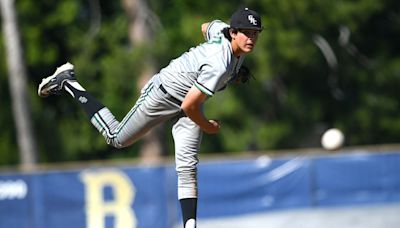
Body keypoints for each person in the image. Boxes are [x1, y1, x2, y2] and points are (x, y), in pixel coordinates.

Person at [38, 7, 262, 228]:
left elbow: (206, 27)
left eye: (255, 33)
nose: (251, 38)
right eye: (246, 32)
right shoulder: (219, 63)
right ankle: (68, 82)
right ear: (233, 32)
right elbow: (190, 105)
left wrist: (203, 63)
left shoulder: (225, 35)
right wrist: (208, 126)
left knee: (187, 167)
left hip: (187, 103)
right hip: (163, 96)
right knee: (116, 137)